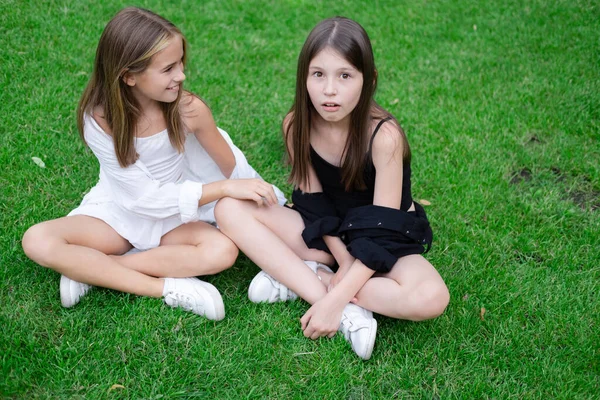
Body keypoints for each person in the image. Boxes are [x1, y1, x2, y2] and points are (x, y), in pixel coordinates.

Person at [21, 7, 285, 321]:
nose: (182, 75)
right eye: (169, 68)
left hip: (175, 218)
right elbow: (141, 198)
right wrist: (223, 188)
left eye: (182, 63)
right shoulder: (99, 119)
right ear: (129, 76)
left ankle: (95, 270)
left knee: (222, 251)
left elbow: (232, 166)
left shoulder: (188, 110)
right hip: (121, 212)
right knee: (36, 240)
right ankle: (166, 287)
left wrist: (271, 206)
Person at [215, 16, 449, 358]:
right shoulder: (297, 124)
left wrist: (340, 293)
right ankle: (329, 292)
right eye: (318, 74)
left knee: (431, 298)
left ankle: (302, 280)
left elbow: (383, 230)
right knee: (228, 207)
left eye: (345, 76)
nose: (329, 90)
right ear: (304, 77)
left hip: (385, 239)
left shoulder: (384, 137)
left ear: (368, 81)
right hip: (333, 235)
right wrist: (341, 261)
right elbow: (312, 204)